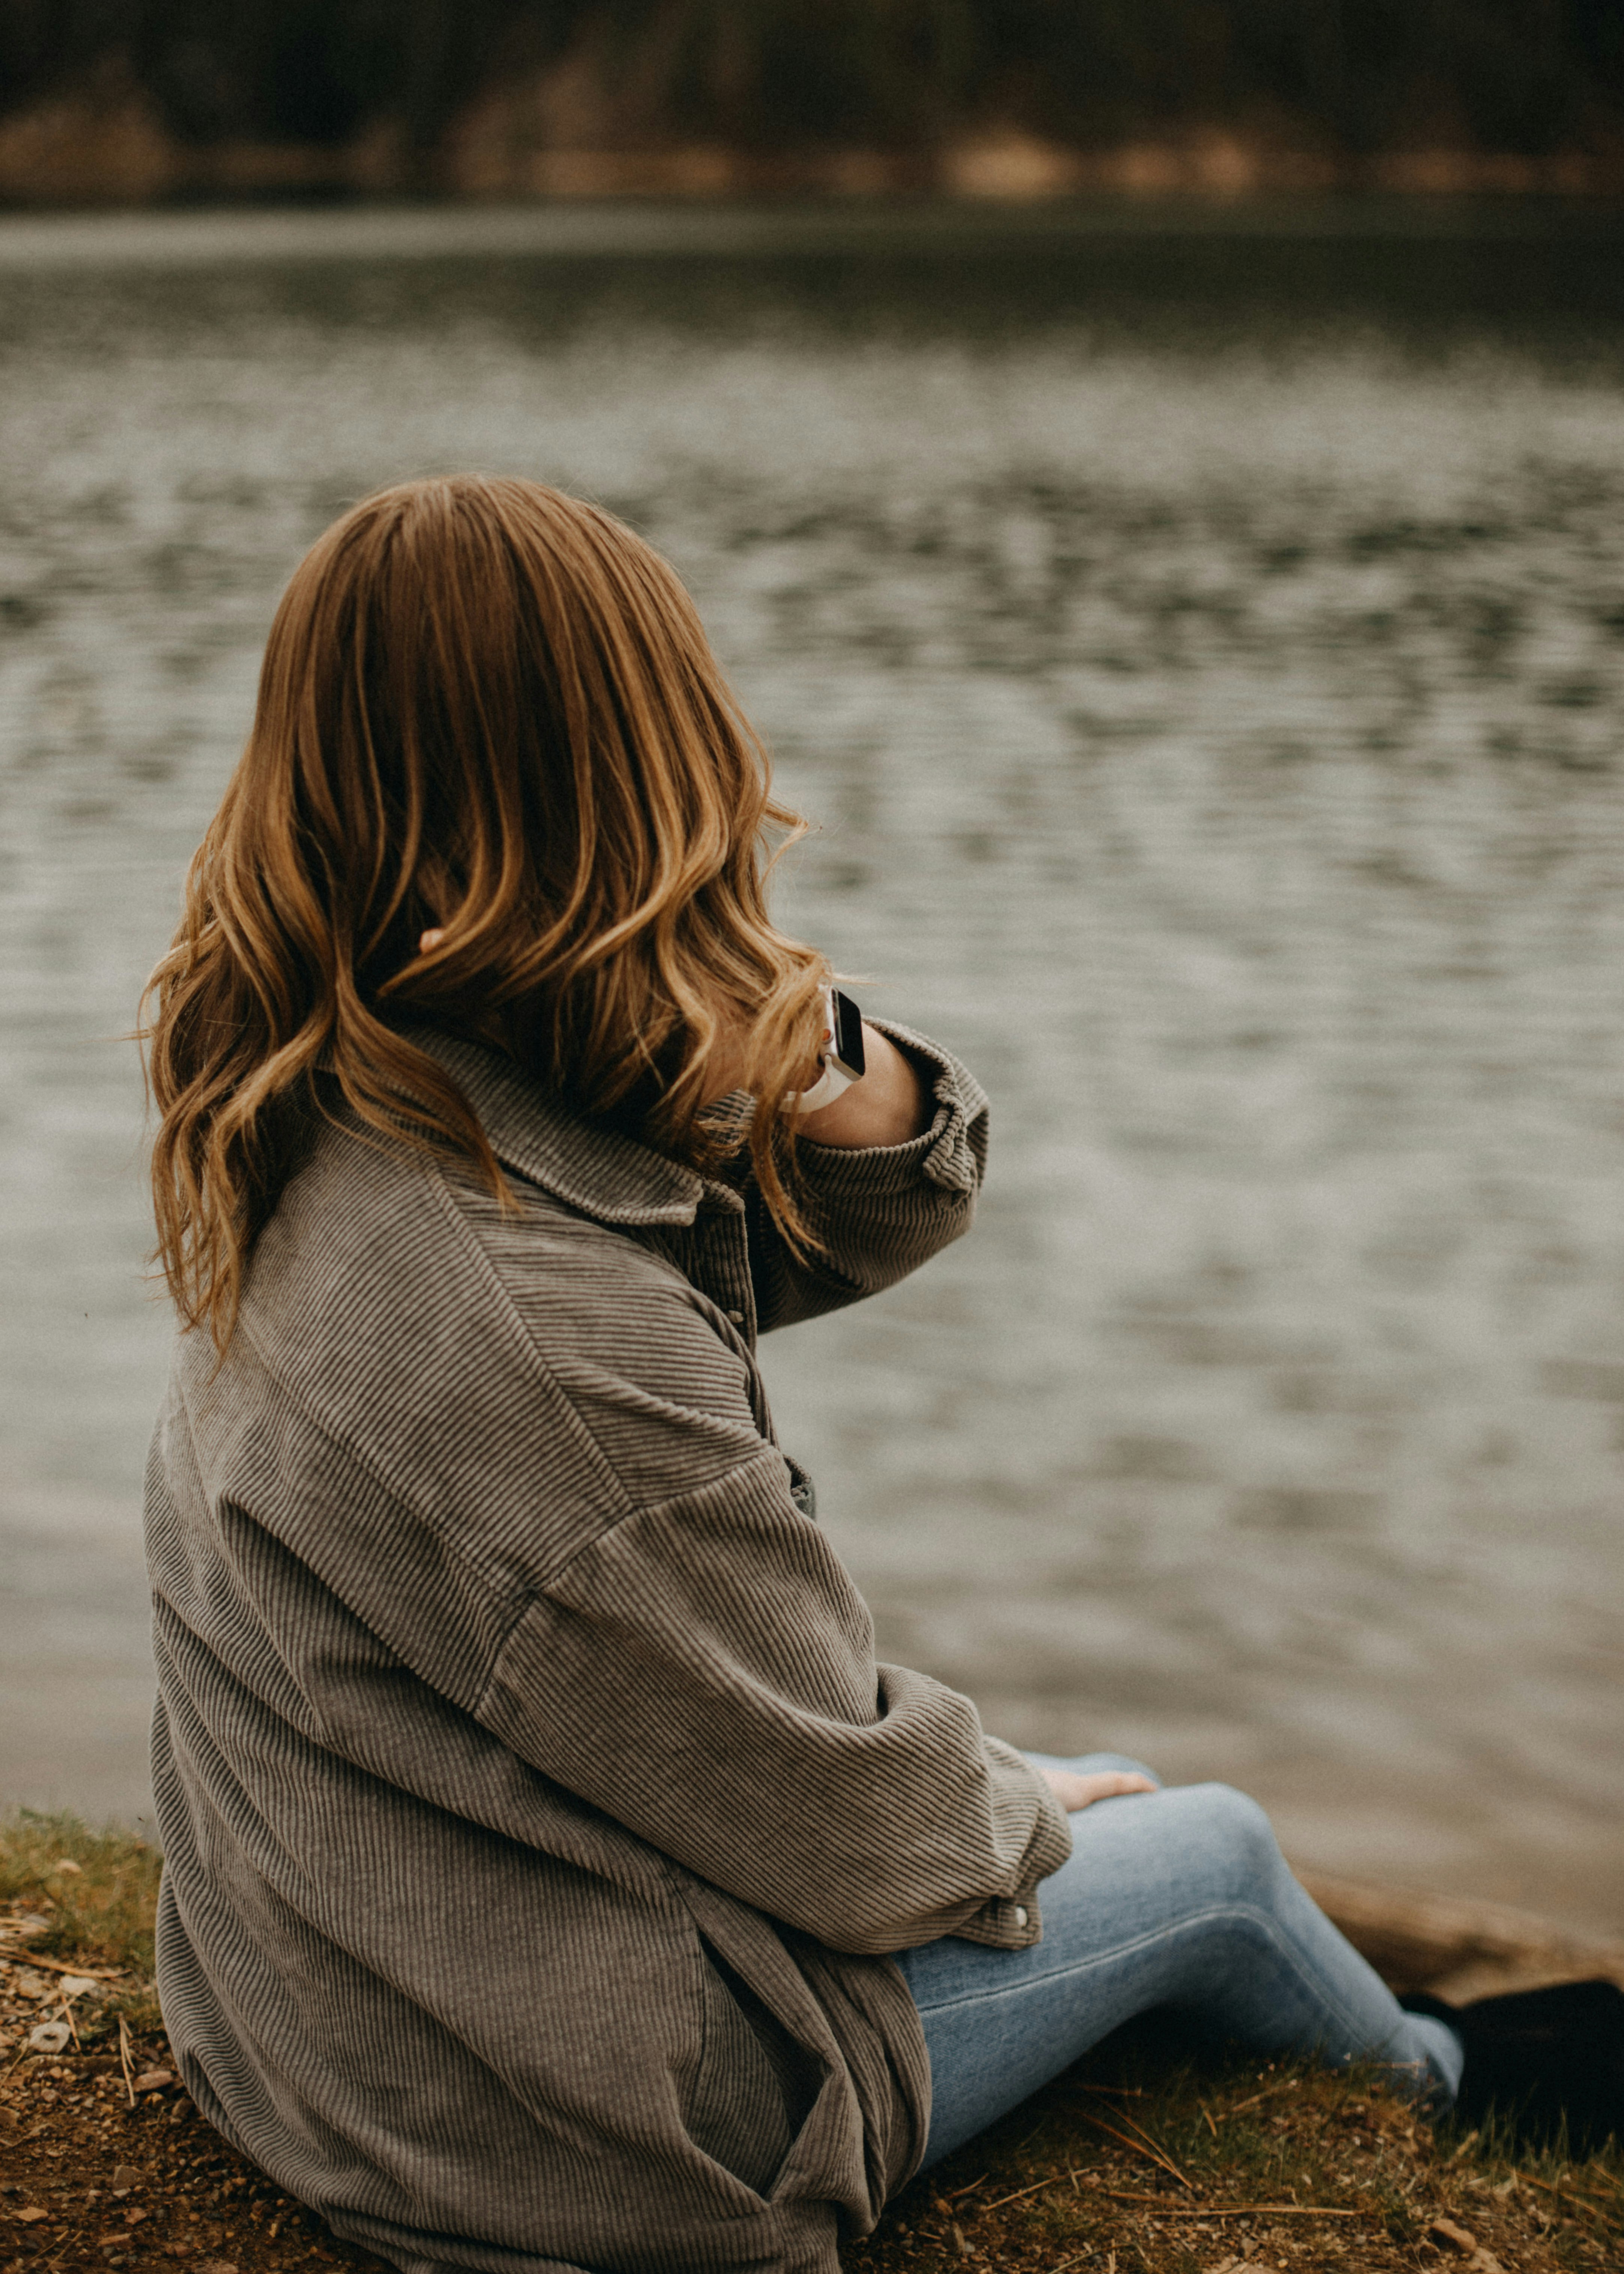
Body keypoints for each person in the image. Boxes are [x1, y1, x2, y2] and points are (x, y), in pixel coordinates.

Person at [140, 475, 1617, 2274]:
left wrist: (801, 1039)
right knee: (1207, 1848)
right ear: (655, 766)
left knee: (1053, 1797)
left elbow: (832, 1235)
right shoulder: (548, 1334)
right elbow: (851, 1831)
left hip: (343, 2016)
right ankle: (1458, 2085)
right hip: (567, 2139)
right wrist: (999, 1800)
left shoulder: (335, 1109)